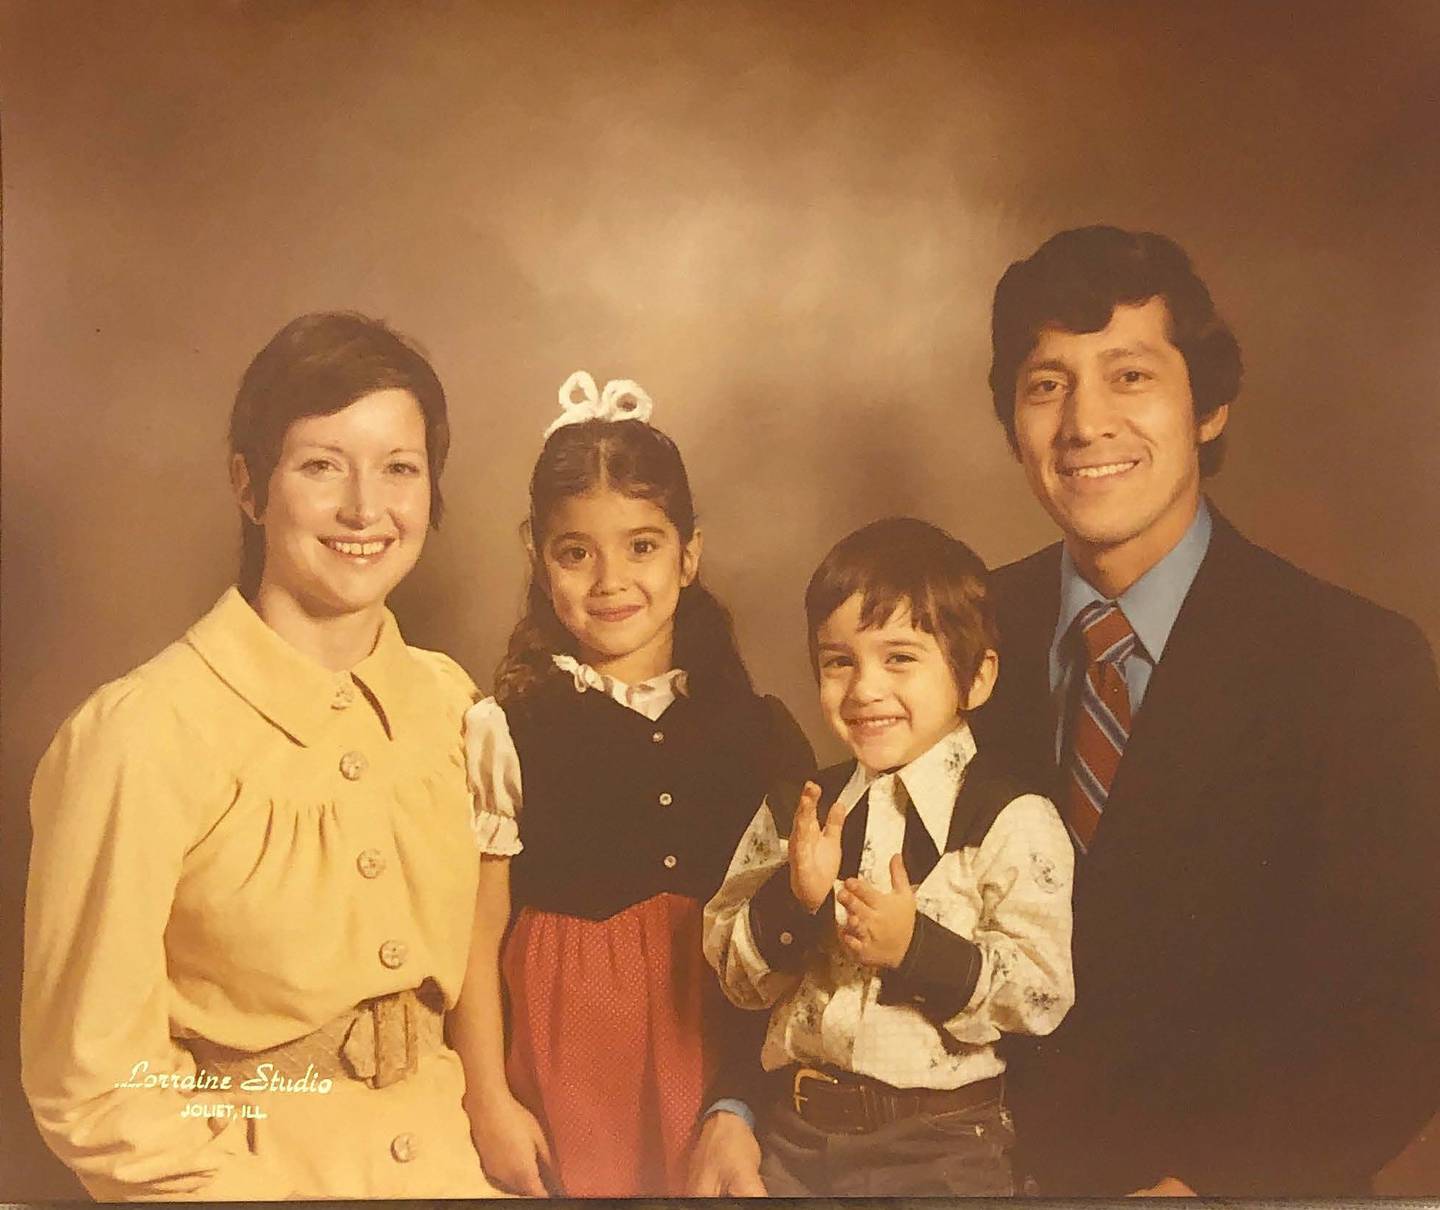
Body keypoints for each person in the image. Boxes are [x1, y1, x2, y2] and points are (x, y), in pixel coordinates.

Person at [972, 225, 1440, 1195]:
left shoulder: (1358, 664)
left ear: (1210, 407)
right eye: (1048, 383)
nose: (1085, 424)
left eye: (1130, 376)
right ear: (1013, 421)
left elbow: (1408, 1011)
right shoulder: (952, 636)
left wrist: (1209, 1186)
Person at [20, 312, 499, 1199]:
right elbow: (95, 1087)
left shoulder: (452, 706)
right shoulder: (140, 733)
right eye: (322, 465)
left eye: (400, 468)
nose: (366, 509)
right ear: (248, 484)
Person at [450, 371, 813, 1197]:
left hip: (721, 1057)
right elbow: (475, 935)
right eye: (577, 553)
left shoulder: (756, 729)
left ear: (689, 555)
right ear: (539, 562)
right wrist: (489, 1100)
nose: (610, 580)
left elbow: (799, 930)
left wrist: (745, 1102)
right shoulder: (506, 729)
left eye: (642, 546)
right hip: (569, 1063)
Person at [703, 516, 1075, 1196]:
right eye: (839, 661)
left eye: (900, 657)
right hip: (796, 1135)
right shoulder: (799, 810)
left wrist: (917, 949)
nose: (865, 688)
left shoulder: (1009, 820)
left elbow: (1042, 995)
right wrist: (795, 901)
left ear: (977, 677)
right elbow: (732, 970)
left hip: (942, 1148)